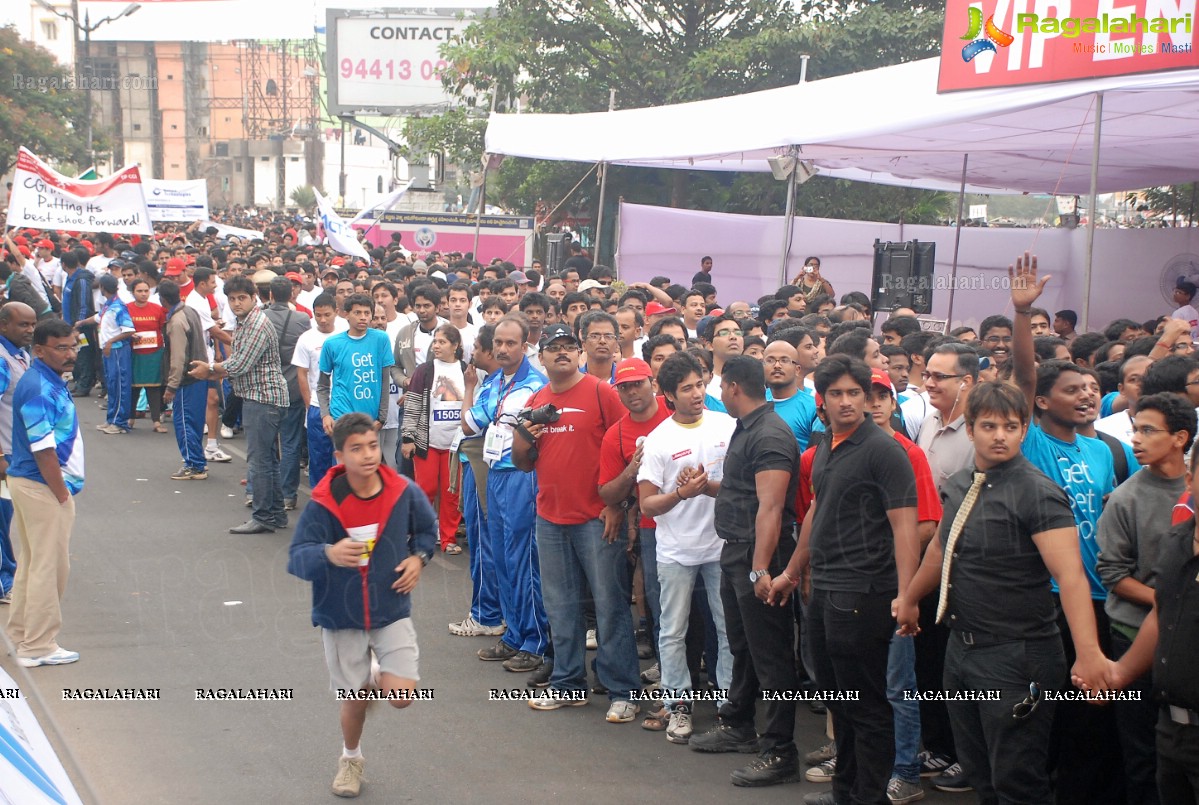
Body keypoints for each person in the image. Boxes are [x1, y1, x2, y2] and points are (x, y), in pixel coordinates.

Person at [897, 380, 1111, 804]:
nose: (1000, 435)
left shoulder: (1038, 492)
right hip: (961, 649)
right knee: (981, 772)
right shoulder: (962, 483)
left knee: (1018, 780)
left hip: (1018, 657)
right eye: (989, 425)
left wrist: (1088, 654)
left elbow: (1071, 577)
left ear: (1024, 429)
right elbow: (941, 549)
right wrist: (909, 600)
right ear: (970, 429)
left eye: (1011, 427)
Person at [770, 355, 918, 805]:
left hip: (866, 593)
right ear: (822, 400)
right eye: (837, 393)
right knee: (841, 700)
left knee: (868, 707)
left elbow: (906, 525)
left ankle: (868, 796)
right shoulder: (828, 447)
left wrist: (908, 596)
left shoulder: (884, 450)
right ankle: (846, 792)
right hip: (826, 592)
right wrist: (792, 573)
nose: (849, 402)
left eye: (857, 393)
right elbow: (818, 511)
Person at [287, 412, 437, 799]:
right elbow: (297, 557)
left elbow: (427, 531)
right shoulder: (323, 504)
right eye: (356, 449)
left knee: (402, 698)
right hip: (342, 616)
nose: (368, 455)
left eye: (372, 445)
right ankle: (350, 760)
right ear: (339, 456)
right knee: (354, 701)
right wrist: (329, 553)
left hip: (390, 608)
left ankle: (375, 675)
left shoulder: (403, 491)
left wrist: (419, 557)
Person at [512, 323, 641, 717]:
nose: (563, 353)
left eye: (569, 346)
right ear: (543, 357)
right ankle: (567, 683)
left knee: (610, 605)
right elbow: (521, 463)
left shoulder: (602, 392)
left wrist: (618, 505)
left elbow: (627, 443)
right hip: (550, 518)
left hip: (596, 518)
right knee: (560, 606)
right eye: (555, 348)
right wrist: (524, 433)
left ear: (579, 352)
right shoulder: (536, 398)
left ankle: (624, 691)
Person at [687, 356, 800, 787]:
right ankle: (739, 724)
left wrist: (758, 571)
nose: (717, 395)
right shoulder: (747, 427)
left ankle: (779, 751)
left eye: (719, 387)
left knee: (771, 656)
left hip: (760, 557)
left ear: (734, 387)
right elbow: (745, 492)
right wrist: (708, 486)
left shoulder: (769, 434)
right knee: (744, 646)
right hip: (738, 553)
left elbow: (771, 507)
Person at [1096, 392, 1196, 805]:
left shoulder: (1189, 494)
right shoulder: (1126, 498)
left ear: (1180, 438)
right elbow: (1114, 573)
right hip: (1133, 633)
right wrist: (1170, 599)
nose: (1135, 438)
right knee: (1142, 753)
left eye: (1148, 430)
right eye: (1135, 429)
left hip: (1187, 642)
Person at [637, 352, 736, 743]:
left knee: (728, 629)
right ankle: (678, 704)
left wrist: (707, 487)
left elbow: (741, 485)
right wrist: (680, 493)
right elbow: (647, 504)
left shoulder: (727, 425)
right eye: (687, 389)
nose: (697, 394)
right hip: (676, 552)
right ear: (668, 396)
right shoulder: (659, 440)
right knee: (672, 630)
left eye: (700, 384)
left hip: (720, 548)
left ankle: (729, 705)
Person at [461, 316, 550, 668]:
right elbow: (468, 423)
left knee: (523, 558)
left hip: (521, 475)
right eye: (498, 342)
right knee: (499, 555)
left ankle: (534, 640)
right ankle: (513, 634)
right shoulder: (494, 381)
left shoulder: (535, 385)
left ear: (525, 345)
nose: (502, 349)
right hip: (494, 472)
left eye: (510, 343)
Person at [6, 318, 85, 667]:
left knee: (33, 563)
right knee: (49, 568)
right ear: (39, 350)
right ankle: (38, 646)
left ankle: (22, 636)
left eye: (74, 346)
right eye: (62, 348)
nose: (70, 354)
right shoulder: (39, 387)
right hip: (42, 486)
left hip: (32, 483)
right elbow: (43, 450)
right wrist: (61, 493)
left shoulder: (48, 379)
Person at [187, 275, 290, 534]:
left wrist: (209, 368)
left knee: (260, 461)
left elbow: (240, 365)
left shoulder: (255, 323)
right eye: (232, 299)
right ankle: (275, 514)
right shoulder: (245, 321)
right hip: (260, 397)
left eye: (241, 298)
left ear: (254, 297)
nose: (236, 303)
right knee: (267, 459)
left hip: (263, 398)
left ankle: (264, 516)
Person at [448, 325, 507, 639]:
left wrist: (469, 388)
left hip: (484, 469)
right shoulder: (494, 382)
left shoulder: (495, 385)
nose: (471, 354)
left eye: (476, 348)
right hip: (478, 466)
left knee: (484, 542)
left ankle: (486, 615)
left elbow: (469, 424)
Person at [401, 324, 466, 554]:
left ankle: (448, 539)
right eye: (435, 341)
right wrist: (408, 437)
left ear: (455, 346)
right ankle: (420, 536)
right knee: (425, 489)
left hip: (455, 447)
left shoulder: (466, 369)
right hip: (427, 443)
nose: (436, 346)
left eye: (442, 342)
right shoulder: (425, 371)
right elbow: (413, 405)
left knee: (451, 494)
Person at [318, 294, 394, 454]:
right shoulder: (332, 344)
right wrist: (325, 415)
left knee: (369, 465)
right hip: (341, 417)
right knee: (344, 467)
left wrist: (381, 418)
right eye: (357, 313)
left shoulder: (381, 339)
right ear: (346, 314)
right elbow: (322, 385)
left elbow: (385, 381)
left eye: (367, 313)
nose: (363, 317)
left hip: (370, 419)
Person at [262, 276, 312, 510]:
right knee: (291, 442)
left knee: (264, 442)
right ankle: (287, 494)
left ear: (271, 294)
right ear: (291, 293)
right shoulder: (302, 319)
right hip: (293, 386)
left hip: (265, 386)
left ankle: (259, 491)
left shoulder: (260, 317)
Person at [0, 302, 36, 603]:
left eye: (32, 324)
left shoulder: (20, 354)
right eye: (23, 325)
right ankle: (4, 581)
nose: (29, 330)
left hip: (18, 451)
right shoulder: (1, 359)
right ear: (3, 326)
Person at [292, 293, 338, 488]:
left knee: (341, 458)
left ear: (336, 312)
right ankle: (320, 500)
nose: (323, 319)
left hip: (342, 405)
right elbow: (302, 373)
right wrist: (309, 405)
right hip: (318, 407)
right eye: (318, 315)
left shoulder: (345, 333)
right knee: (319, 457)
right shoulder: (306, 339)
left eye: (327, 314)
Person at [127, 278, 168, 433]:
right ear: (133, 293)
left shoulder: (158, 309)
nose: (144, 294)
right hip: (134, 353)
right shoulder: (126, 309)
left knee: (154, 387)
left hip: (154, 353)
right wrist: (131, 335)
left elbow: (162, 328)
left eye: (146, 291)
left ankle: (156, 421)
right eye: (140, 291)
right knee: (133, 387)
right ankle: (130, 419)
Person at [96, 274, 135, 434]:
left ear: (102, 288)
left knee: (120, 385)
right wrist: (81, 323)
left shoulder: (119, 307)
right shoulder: (108, 305)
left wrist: (111, 342)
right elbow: (97, 318)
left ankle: (120, 422)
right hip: (109, 351)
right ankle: (111, 419)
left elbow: (128, 330)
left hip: (118, 351)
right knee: (112, 385)